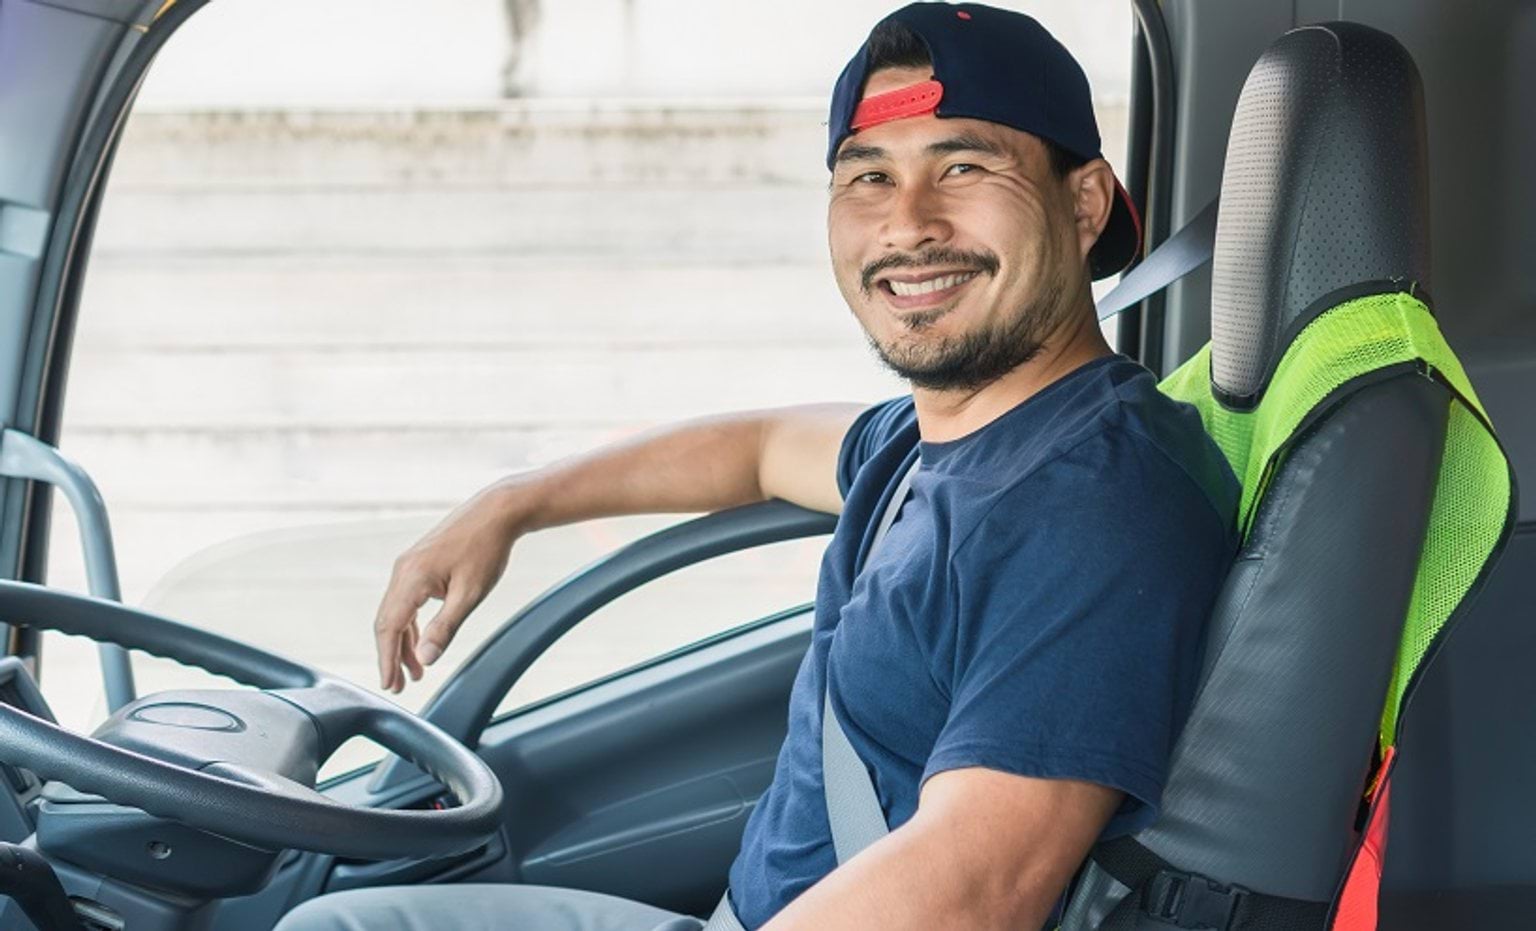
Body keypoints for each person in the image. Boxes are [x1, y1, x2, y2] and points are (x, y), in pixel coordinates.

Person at [277, 3, 1240, 929]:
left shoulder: (1094, 507)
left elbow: (973, 894)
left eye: (963, 166)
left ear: (1083, 202)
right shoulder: (940, 439)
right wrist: (511, 504)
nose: (907, 223)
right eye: (868, 177)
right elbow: (763, 447)